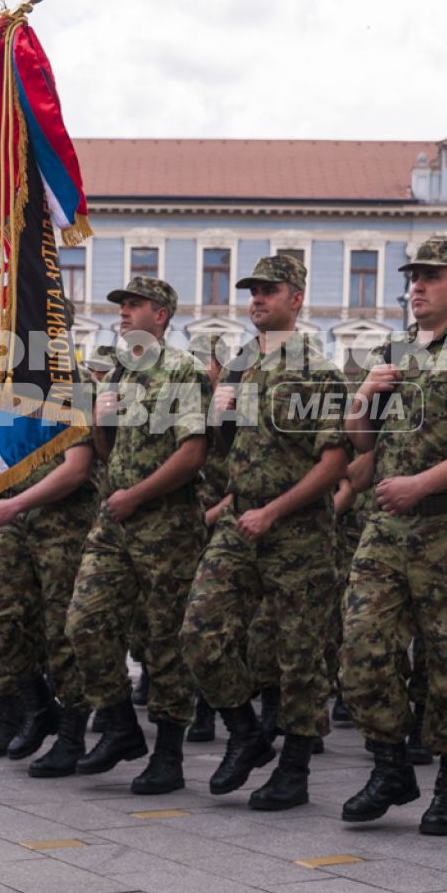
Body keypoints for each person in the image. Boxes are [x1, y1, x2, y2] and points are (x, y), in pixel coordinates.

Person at [337, 238, 447, 834]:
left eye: (431, 277)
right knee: (361, 646)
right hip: (388, 530)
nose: (416, 286)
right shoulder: (389, 352)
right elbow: (363, 446)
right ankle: (390, 765)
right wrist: (364, 399)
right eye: (413, 277)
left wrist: (421, 485)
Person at [183, 254, 351, 809]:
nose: (257, 298)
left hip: (296, 529)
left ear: (296, 298)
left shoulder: (317, 372)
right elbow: (228, 454)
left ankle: (295, 768)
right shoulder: (238, 369)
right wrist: (218, 407)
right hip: (241, 520)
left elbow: (333, 463)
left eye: (269, 290)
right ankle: (245, 733)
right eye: (253, 291)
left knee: (300, 652)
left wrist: (274, 512)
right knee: (200, 631)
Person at [65, 276, 210, 787]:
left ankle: (168, 755)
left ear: (161, 315)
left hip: (166, 525)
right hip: (117, 521)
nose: (124, 312)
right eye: (122, 305)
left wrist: (136, 495)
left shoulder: (182, 371)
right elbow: (111, 454)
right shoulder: (120, 376)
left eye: (135, 305)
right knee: (84, 622)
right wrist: (101, 419)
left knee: (165, 639)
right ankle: (122, 724)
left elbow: (193, 454)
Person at [0, 438, 99, 761]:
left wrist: (16, 503)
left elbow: (77, 467)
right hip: (18, 519)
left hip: (64, 520)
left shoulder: (68, 388)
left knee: (60, 630)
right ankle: (39, 704)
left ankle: (72, 733)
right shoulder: (13, 394)